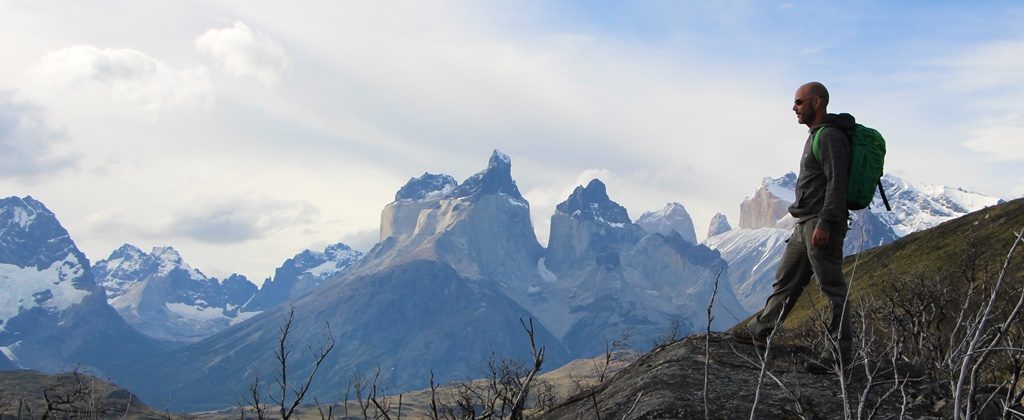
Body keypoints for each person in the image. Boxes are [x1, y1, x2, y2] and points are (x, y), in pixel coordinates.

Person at [734, 81, 854, 373]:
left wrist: (825, 223)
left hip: (819, 222)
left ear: (817, 102)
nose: (794, 107)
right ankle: (760, 330)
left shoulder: (828, 137)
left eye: (800, 102)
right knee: (786, 280)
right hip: (804, 224)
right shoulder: (816, 135)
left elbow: (837, 184)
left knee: (832, 289)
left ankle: (837, 356)